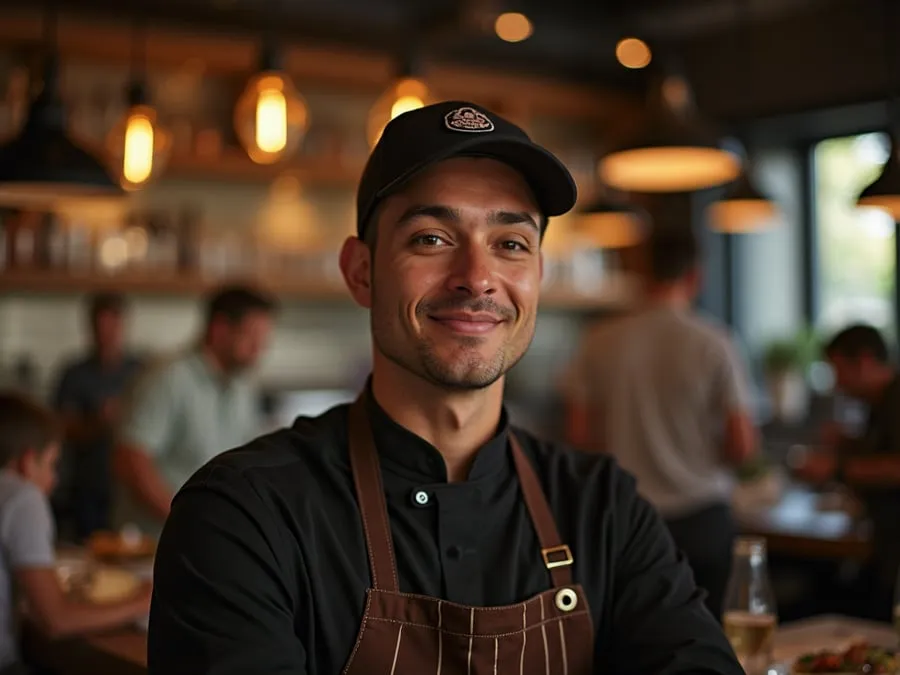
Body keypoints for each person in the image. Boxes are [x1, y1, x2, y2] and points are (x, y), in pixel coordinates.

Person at [147, 102, 742, 675]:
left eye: (511, 245)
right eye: (431, 238)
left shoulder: (604, 509)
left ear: (537, 277)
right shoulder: (244, 515)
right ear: (361, 272)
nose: (477, 279)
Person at [560, 229, 758, 620]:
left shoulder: (599, 340)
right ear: (695, 276)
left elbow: (578, 436)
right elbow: (742, 446)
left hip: (626, 516)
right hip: (702, 516)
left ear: (641, 272)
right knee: (709, 635)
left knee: (635, 636)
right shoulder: (715, 342)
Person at [0, 391, 150, 675]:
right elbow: (56, 621)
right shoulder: (22, 497)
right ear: (27, 462)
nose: (54, 479)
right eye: (51, 464)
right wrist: (145, 598)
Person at [113, 285, 276, 534]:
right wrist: (185, 520)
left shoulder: (243, 386)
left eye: (263, 340)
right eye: (251, 337)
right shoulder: (168, 378)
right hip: (155, 542)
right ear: (220, 329)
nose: (259, 349)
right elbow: (130, 460)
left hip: (212, 538)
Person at [798, 323, 900, 620]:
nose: (837, 383)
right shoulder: (879, 403)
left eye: (839, 371)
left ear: (865, 360)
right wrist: (849, 443)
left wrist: (836, 468)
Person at [51, 292, 144, 541]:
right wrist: (99, 421)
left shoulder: (140, 371)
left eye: (113, 326)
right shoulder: (74, 373)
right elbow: (61, 428)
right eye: (101, 327)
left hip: (130, 487)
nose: (107, 334)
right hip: (88, 486)